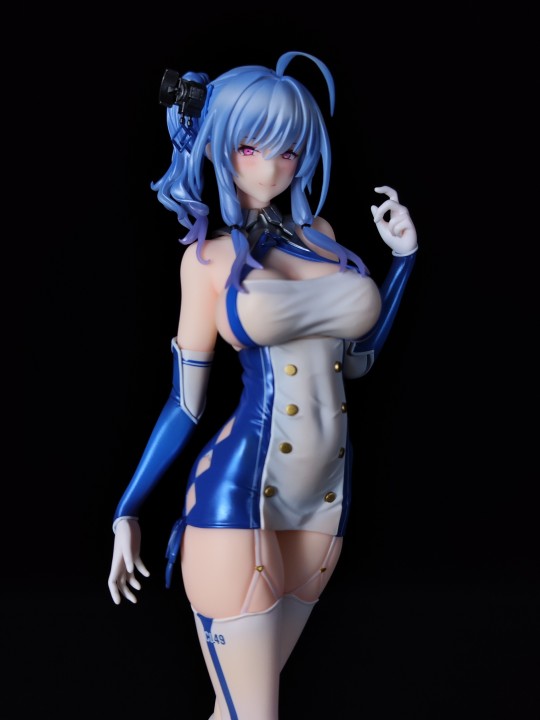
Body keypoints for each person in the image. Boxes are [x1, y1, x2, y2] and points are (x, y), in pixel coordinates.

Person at [108, 50, 418, 720]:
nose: (273, 167)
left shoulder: (324, 237)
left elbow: (357, 362)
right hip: (238, 498)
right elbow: (186, 403)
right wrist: (127, 510)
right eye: (252, 147)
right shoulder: (206, 262)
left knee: (236, 711)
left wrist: (402, 261)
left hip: (325, 504)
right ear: (219, 145)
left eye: (289, 150)